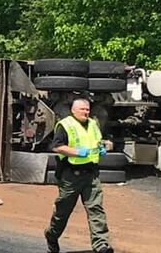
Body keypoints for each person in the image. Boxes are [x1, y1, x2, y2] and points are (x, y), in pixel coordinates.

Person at [45, 98, 114, 253]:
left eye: (88, 109)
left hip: (91, 175)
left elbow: (98, 142)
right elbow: (57, 147)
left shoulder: (93, 124)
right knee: (62, 212)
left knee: (96, 209)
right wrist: (78, 152)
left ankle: (100, 245)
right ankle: (52, 235)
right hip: (71, 176)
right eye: (82, 109)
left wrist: (103, 148)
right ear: (73, 110)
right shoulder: (66, 125)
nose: (86, 112)